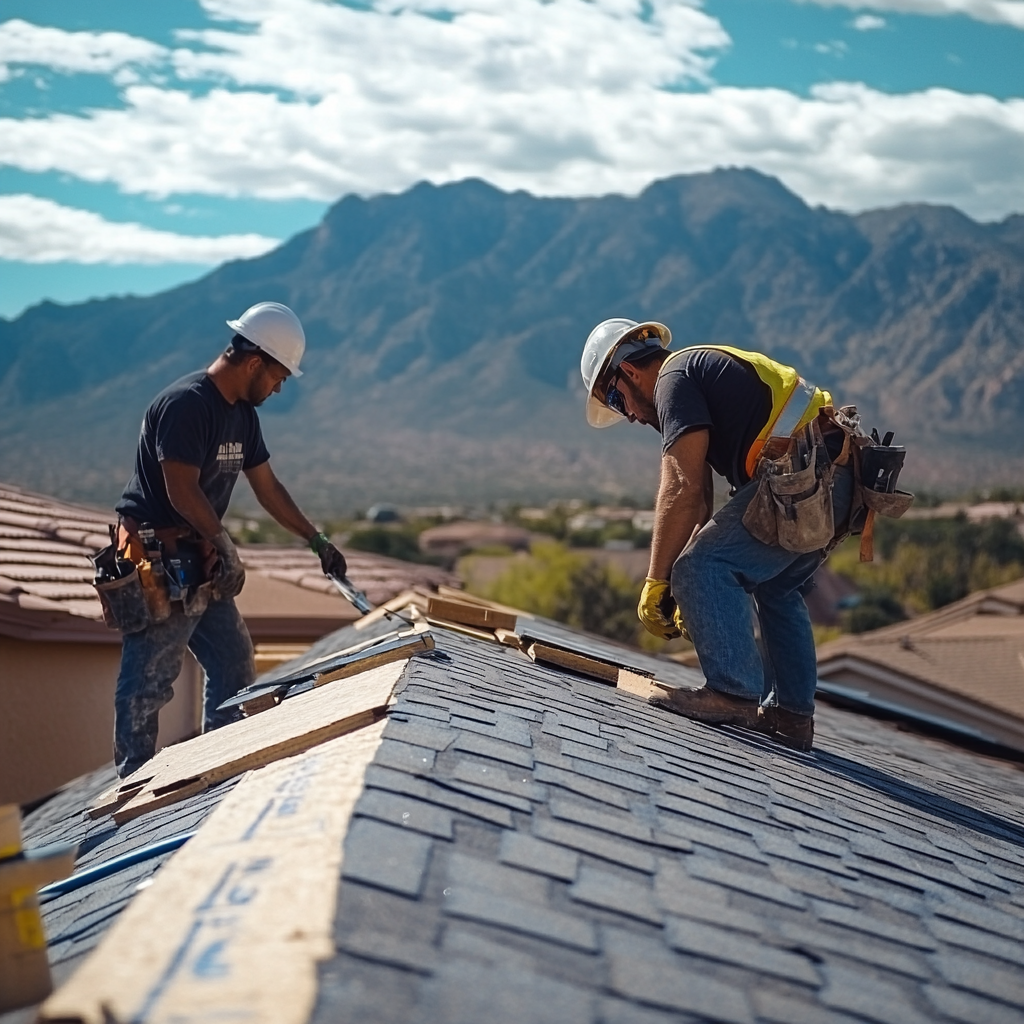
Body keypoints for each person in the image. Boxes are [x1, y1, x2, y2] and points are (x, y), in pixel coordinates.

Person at [580, 318, 855, 751]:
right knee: (778, 589)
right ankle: (792, 716)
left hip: (808, 475)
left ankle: (733, 694)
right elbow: (701, 498)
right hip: (835, 478)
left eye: (616, 400)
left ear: (629, 372)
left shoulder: (673, 379)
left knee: (700, 566)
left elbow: (681, 489)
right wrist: (696, 599)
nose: (629, 416)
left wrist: (660, 581)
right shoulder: (693, 375)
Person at [111, 301, 346, 777]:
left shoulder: (242, 417)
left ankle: (217, 765)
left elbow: (268, 488)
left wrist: (316, 540)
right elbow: (181, 489)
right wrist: (225, 544)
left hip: (199, 560)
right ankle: (132, 784)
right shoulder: (186, 405)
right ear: (255, 361)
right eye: (278, 377)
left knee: (234, 663)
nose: (279, 388)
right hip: (160, 560)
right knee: (150, 680)